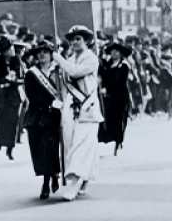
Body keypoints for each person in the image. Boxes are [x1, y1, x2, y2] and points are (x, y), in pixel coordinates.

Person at [52, 25, 103, 201]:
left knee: (82, 146)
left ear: (87, 41)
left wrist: (59, 60)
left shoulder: (91, 59)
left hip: (87, 107)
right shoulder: (70, 57)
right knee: (70, 144)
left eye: (78, 39)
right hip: (70, 107)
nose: (74, 42)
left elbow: (75, 72)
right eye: (72, 39)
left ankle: (74, 184)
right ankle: (84, 177)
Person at [24, 40, 62, 199]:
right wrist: (50, 102)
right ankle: (48, 178)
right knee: (39, 149)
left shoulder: (59, 72)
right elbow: (31, 95)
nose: (42, 55)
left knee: (51, 148)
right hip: (37, 115)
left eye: (45, 52)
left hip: (54, 114)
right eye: (39, 52)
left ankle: (51, 178)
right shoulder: (31, 73)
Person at [0, 36, 25, 160]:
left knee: (13, 121)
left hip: (14, 95)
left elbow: (21, 78)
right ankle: (2, 143)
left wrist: (13, 81)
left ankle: (10, 147)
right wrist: (5, 80)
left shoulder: (17, 60)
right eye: (9, 50)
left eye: (12, 49)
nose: (12, 51)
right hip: (1, 97)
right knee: (2, 121)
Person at [98, 41, 132, 155]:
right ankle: (109, 140)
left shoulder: (124, 66)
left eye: (116, 51)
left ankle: (118, 141)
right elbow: (103, 75)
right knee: (109, 118)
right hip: (108, 97)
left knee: (119, 118)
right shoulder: (107, 65)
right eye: (112, 51)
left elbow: (119, 82)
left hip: (120, 96)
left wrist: (108, 89)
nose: (114, 53)